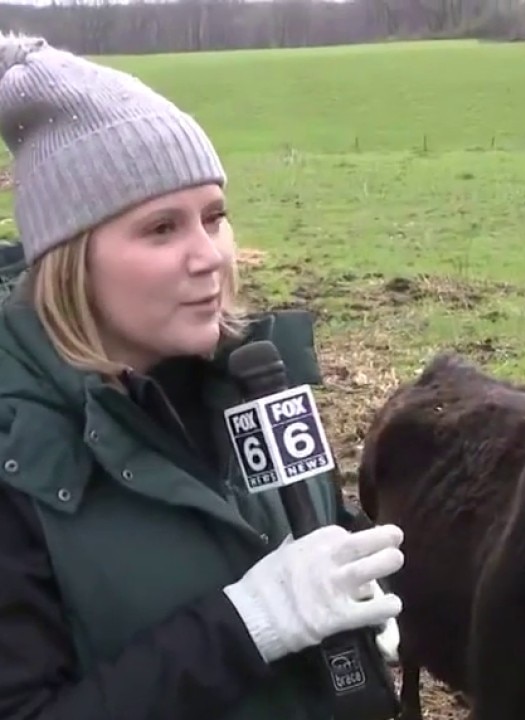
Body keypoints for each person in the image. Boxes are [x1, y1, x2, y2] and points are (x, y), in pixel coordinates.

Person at [0, 33, 405, 719]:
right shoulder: (19, 458)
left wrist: (370, 590)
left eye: (214, 217)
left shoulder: (256, 376)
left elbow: (319, 525)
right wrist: (248, 626)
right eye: (161, 229)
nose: (210, 256)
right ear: (70, 259)